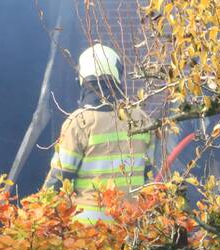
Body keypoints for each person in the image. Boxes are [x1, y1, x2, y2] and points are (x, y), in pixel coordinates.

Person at [43, 43, 154, 220]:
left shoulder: (80, 122)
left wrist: (39, 215)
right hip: (131, 224)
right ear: (117, 76)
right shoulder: (140, 118)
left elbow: (59, 178)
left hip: (88, 229)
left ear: (83, 78)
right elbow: (149, 174)